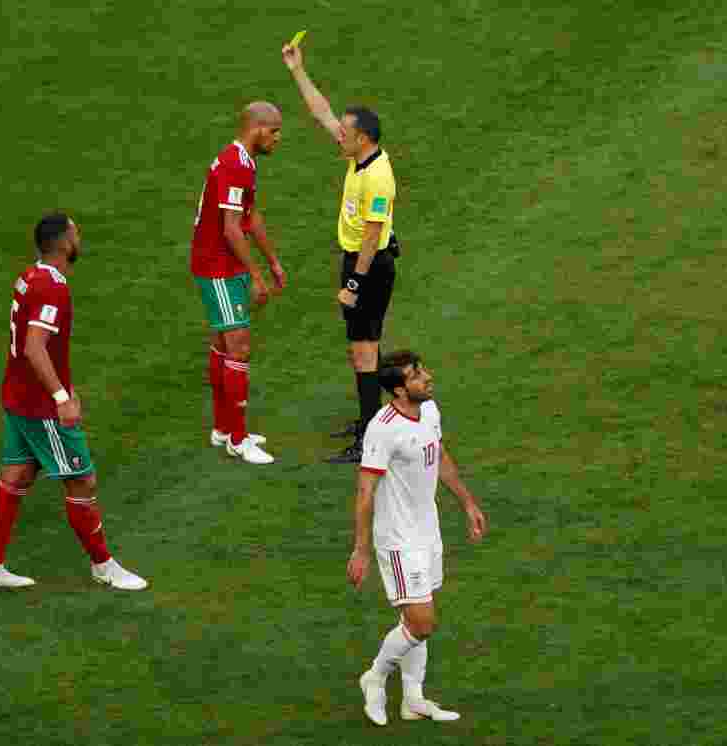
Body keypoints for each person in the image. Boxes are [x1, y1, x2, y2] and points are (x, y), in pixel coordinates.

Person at [0, 213, 147, 591]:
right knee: (81, 480)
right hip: (41, 407)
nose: (80, 236)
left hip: (18, 396)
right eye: (76, 232)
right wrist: (61, 396)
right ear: (64, 243)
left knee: (16, 477)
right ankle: (103, 565)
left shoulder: (29, 277)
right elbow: (34, 345)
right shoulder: (52, 287)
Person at [346, 351, 488, 727]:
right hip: (398, 537)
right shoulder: (384, 427)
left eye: (422, 369)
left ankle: (413, 699)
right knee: (421, 622)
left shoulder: (429, 411)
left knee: (416, 614)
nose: (427, 377)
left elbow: (438, 455)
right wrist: (361, 549)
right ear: (398, 389)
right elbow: (365, 491)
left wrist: (468, 502)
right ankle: (374, 676)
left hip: (428, 529)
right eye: (416, 375)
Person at [282, 42, 399, 463]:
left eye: (345, 134)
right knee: (359, 346)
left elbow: (372, 237)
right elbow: (322, 111)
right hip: (358, 262)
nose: (338, 136)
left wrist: (353, 283)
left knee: (365, 348)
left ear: (362, 138)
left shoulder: (378, 178)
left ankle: (371, 435)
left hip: (369, 266)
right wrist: (298, 70)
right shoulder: (359, 157)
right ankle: (372, 418)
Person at [192, 101, 287, 465]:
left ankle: (222, 428)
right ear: (257, 128)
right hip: (217, 266)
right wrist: (258, 277)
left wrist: (273, 260)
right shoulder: (235, 165)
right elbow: (231, 228)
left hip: (223, 262)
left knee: (223, 343)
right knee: (238, 345)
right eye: (274, 131)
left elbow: (250, 217)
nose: (278, 138)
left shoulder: (243, 162)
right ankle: (236, 437)